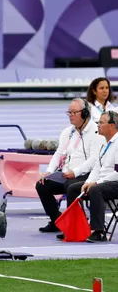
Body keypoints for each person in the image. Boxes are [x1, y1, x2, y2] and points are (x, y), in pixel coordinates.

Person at [36, 98, 103, 233]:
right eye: (69, 112)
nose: (71, 115)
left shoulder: (96, 131)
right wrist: (49, 171)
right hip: (66, 173)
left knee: (70, 186)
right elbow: (58, 154)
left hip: (85, 174)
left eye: (74, 112)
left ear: (84, 113)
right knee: (42, 184)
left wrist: (76, 172)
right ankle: (57, 221)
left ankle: (75, 226)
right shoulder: (68, 132)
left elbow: (94, 160)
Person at [72, 111, 118, 243]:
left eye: (101, 123)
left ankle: (99, 232)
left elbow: (117, 172)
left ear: (111, 125)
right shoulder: (104, 143)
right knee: (74, 189)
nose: (98, 125)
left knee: (95, 190)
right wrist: (88, 182)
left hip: (115, 181)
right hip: (104, 181)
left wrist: (97, 183)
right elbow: (97, 168)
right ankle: (76, 228)